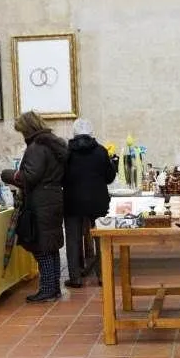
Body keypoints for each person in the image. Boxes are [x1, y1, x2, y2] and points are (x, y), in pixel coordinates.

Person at [3, 111, 69, 302]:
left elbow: (29, 177)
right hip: (53, 198)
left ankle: (47, 289)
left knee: (41, 247)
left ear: (27, 129)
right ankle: (53, 288)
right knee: (51, 246)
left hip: (40, 202)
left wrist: (9, 175)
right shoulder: (53, 144)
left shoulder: (37, 147)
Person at [63, 118, 118, 288]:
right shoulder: (101, 151)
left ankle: (75, 278)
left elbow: (61, 177)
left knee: (73, 239)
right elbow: (109, 178)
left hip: (72, 200)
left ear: (74, 133)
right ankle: (103, 275)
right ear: (91, 133)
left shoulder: (66, 153)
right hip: (98, 201)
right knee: (100, 238)